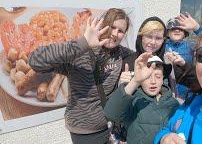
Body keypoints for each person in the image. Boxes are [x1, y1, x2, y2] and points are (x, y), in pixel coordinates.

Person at [28, 8, 133, 144]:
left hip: (111, 127)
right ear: (102, 24)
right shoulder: (78, 52)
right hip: (84, 132)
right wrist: (83, 43)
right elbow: (34, 61)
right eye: (112, 27)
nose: (114, 34)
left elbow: (142, 56)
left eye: (120, 31)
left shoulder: (121, 54)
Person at [104, 53, 179, 144]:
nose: (153, 82)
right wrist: (134, 81)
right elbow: (111, 114)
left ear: (163, 78)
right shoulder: (133, 100)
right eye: (147, 77)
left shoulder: (173, 103)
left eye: (158, 76)